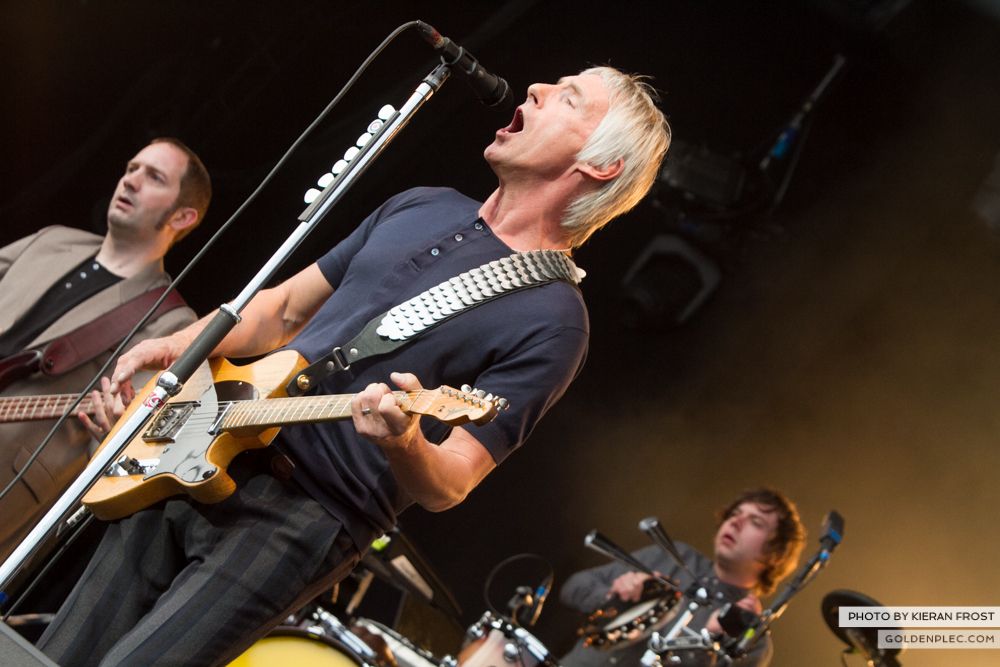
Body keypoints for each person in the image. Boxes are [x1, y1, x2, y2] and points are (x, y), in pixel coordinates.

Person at [36, 66, 671, 666]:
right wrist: (181, 344)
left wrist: (407, 441)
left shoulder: (555, 320)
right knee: (57, 651)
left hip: (299, 520)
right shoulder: (423, 203)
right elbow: (283, 309)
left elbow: (451, 482)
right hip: (201, 439)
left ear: (600, 164)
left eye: (567, 97)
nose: (535, 87)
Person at [0, 138, 211, 562]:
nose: (131, 180)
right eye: (132, 167)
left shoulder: (171, 324)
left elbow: (127, 451)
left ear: (183, 215)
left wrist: (113, 435)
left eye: (153, 177)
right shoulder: (53, 240)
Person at [559, 488, 806, 666]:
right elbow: (572, 588)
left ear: (776, 554)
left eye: (756, 522)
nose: (736, 522)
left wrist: (706, 645)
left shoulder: (751, 639)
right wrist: (612, 595)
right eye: (735, 514)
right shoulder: (672, 555)